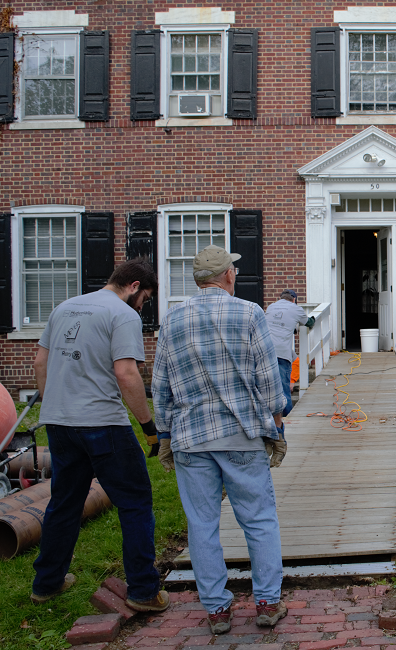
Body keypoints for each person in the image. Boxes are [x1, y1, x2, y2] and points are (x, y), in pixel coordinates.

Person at [152, 245, 287, 635]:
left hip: (191, 437)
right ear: (228, 275)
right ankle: (266, 602)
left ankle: (217, 611)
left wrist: (165, 432)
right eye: (234, 270)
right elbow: (267, 376)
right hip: (241, 433)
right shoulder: (248, 312)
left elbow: (160, 386)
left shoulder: (172, 318)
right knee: (259, 519)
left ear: (198, 279)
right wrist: (276, 424)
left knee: (202, 525)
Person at [31, 258, 169, 612]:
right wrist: (148, 427)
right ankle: (143, 591)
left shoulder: (65, 307)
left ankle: (47, 584)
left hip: (59, 424)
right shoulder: (123, 315)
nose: (144, 306)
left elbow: (40, 363)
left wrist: (55, 407)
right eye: (146, 298)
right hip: (103, 424)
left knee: (64, 503)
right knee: (135, 502)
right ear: (135, 286)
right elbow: (126, 374)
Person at [265, 289, 315, 416]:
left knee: (268, 388)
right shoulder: (295, 308)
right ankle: (287, 417)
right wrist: (312, 320)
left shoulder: (271, 307)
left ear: (281, 298)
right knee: (283, 388)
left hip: (265, 352)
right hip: (282, 353)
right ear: (294, 300)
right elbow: (308, 322)